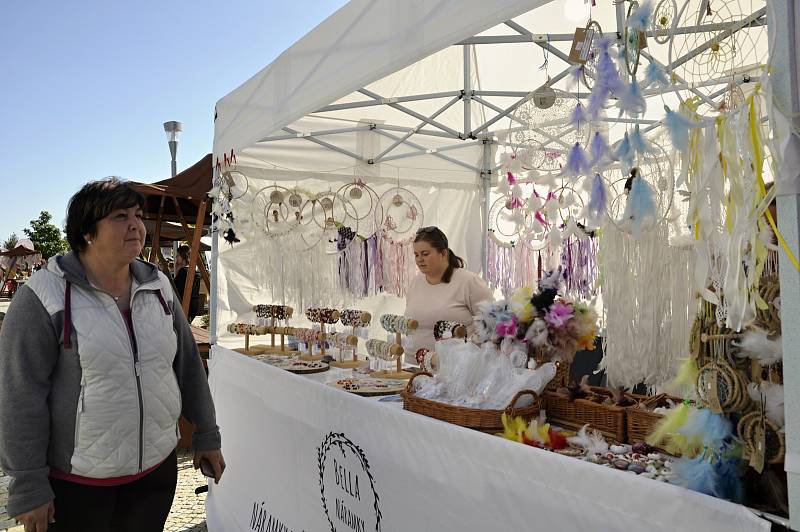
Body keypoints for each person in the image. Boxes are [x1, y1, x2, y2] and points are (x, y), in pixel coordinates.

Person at [0, 178, 224, 532]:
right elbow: (19, 397)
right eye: (120, 216)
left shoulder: (158, 286)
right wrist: (28, 484)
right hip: (79, 485)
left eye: (137, 215)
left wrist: (207, 433)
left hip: (155, 473)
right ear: (87, 231)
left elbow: (187, 368)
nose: (136, 225)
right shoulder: (43, 298)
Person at [404, 226, 494, 362]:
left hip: (454, 370)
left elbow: (491, 323)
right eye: (416, 255)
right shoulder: (415, 283)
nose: (419, 260)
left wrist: (470, 351)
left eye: (425, 254)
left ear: (443, 253)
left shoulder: (469, 282)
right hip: (413, 366)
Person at [173, 245, 202, 322]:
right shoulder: (194, 272)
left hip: (184, 306)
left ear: (183, 256)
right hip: (194, 305)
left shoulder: (183, 272)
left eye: (178, 255)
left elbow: (176, 289)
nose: (176, 258)